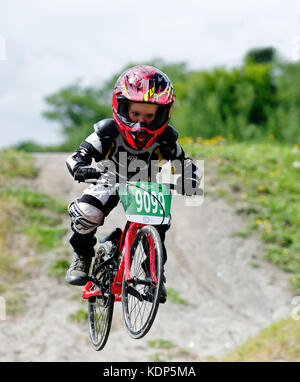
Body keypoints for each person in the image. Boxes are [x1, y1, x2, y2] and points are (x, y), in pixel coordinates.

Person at [65, 65, 202, 303]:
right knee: (87, 213)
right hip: (107, 180)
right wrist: (80, 167)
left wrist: (189, 179)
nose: (141, 123)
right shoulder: (106, 132)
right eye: (136, 114)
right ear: (122, 107)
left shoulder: (166, 139)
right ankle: (82, 257)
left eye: (150, 116)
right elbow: (77, 156)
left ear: (162, 114)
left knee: (159, 224)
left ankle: (154, 275)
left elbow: (185, 163)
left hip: (145, 186)